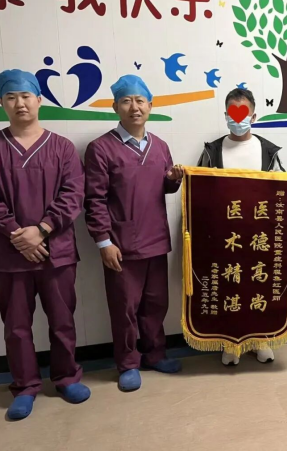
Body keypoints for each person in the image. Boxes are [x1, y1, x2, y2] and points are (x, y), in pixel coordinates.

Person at [0, 69, 90, 420]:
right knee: (16, 326)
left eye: (26, 96)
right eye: (11, 97)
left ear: (39, 100)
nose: (20, 103)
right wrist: (17, 234)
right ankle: (25, 386)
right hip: (8, 254)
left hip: (56, 252)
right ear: (1, 103)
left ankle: (66, 377)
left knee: (62, 321)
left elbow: (73, 194)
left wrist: (42, 229)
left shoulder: (62, 148)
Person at [84, 75, 184, 392]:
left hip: (156, 240)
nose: (134, 107)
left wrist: (173, 180)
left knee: (156, 304)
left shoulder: (160, 146)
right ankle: (128, 363)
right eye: (126, 101)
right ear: (116, 107)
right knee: (124, 308)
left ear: (150, 106)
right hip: (121, 245)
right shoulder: (101, 149)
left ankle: (155, 354)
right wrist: (104, 241)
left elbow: (162, 188)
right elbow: (94, 199)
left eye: (140, 101)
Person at [198, 88, 285, 366]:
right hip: (226, 236)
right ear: (226, 116)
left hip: (260, 234)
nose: (238, 119)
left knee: (259, 285)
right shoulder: (212, 150)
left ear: (254, 116)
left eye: (244, 113)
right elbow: (200, 190)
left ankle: (261, 340)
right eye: (233, 114)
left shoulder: (268, 150)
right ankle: (230, 343)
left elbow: (282, 189)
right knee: (230, 286)